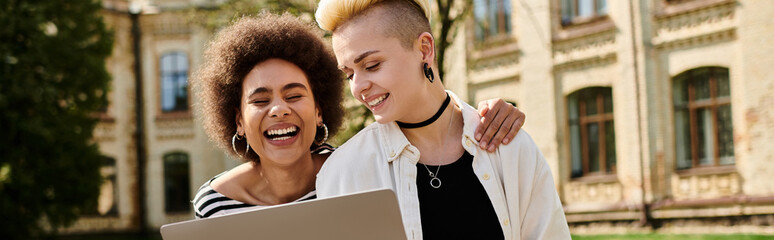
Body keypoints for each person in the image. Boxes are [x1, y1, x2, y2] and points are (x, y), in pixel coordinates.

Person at [190, 12, 526, 219]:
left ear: (320, 110)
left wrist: (479, 113)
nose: (279, 109)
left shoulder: (355, 173)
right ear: (237, 121)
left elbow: (427, 117)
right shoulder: (214, 204)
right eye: (260, 100)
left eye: (294, 95)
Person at [314, 0, 571, 239]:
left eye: (371, 65)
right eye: (349, 74)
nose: (358, 88)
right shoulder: (344, 173)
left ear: (424, 49)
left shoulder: (510, 149)